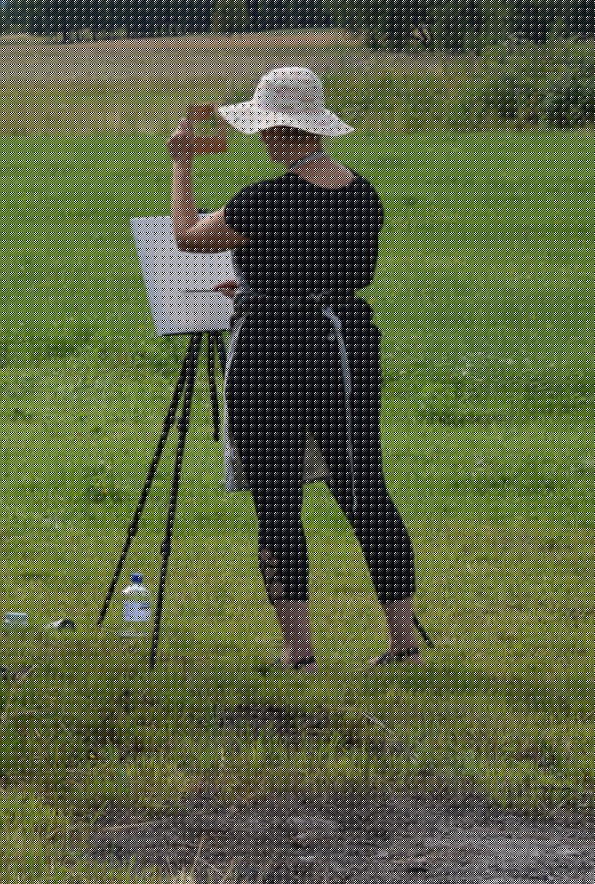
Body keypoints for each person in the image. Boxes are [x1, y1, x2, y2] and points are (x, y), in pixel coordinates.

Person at [167, 67, 422, 670]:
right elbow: (331, 268)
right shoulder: (363, 194)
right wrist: (262, 283)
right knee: (365, 489)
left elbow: (187, 235)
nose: (259, 138)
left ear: (280, 130)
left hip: (272, 350)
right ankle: (403, 642)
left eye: (263, 128)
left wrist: (181, 162)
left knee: (277, 497)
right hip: (344, 344)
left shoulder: (264, 199)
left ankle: (299, 649)